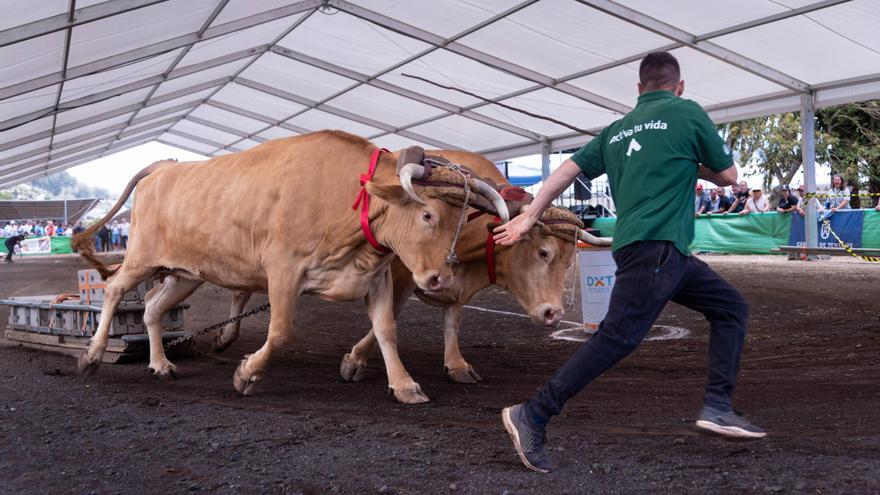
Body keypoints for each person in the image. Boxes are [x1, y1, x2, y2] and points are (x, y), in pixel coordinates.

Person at [494, 51, 764, 474]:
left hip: (659, 251)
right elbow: (730, 176)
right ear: (679, 86)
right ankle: (534, 413)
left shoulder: (616, 131)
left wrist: (530, 214)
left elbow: (568, 169)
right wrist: (695, 164)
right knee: (616, 338)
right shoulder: (687, 112)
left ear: (639, 90)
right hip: (657, 249)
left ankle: (717, 406)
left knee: (731, 307)